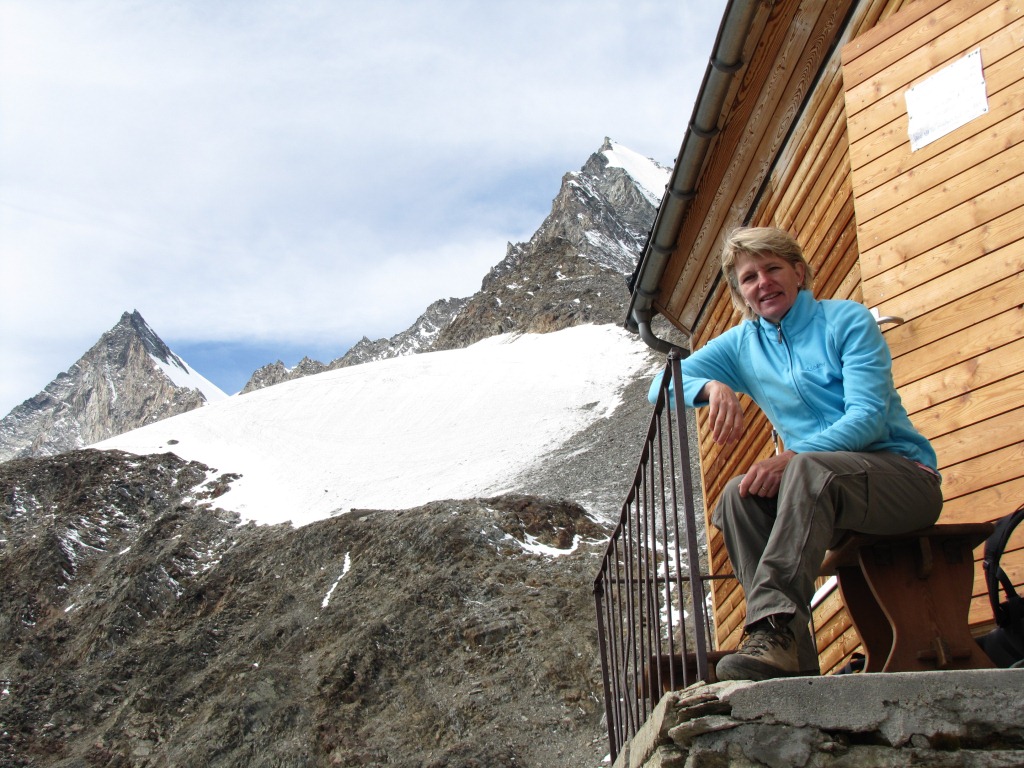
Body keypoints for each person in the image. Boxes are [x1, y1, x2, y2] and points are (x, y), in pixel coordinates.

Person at [648, 226, 942, 681]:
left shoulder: (845, 320)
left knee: (806, 469)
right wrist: (711, 386)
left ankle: (770, 626)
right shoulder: (743, 345)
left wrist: (792, 457)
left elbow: (867, 418)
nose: (763, 283)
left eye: (773, 269)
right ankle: (786, 660)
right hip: (828, 492)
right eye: (749, 277)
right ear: (741, 293)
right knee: (739, 496)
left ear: (799, 273)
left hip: (903, 480)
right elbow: (660, 385)